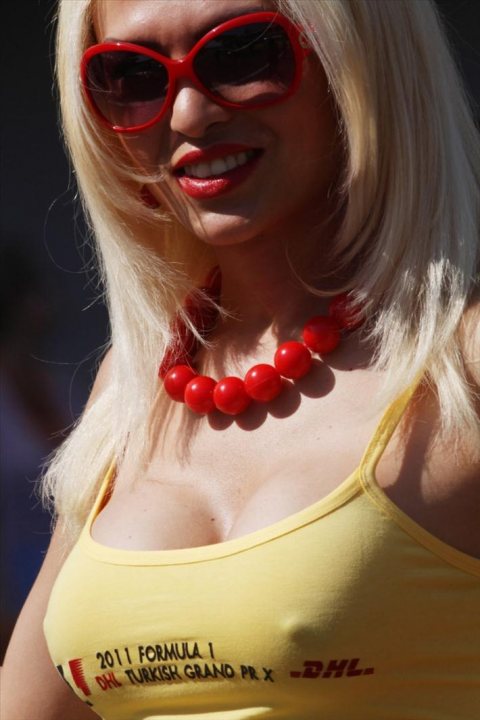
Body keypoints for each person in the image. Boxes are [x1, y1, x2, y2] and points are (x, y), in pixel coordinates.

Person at [2, 0, 479, 718]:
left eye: (243, 52)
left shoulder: (464, 367)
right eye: (130, 76)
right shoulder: (127, 394)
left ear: (361, 62)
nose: (189, 114)